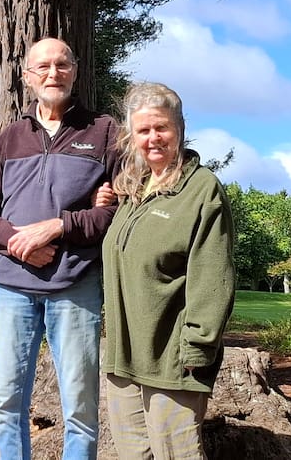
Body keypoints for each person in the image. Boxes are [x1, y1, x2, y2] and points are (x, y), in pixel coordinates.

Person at [0, 37, 120, 460]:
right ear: (28, 77)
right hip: (13, 289)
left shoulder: (104, 132)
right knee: (8, 405)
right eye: (43, 66)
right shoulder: (9, 139)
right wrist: (19, 244)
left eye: (62, 64)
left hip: (75, 287)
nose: (53, 73)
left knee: (81, 408)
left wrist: (58, 226)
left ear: (75, 71)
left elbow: (117, 213)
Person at [101, 82, 236, 460]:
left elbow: (213, 274)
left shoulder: (202, 190)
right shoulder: (134, 190)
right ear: (132, 136)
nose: (153, 138)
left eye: (162, 127)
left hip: (173, 360)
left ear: (180, 128)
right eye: (143, 130)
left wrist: (198, 347)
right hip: (124, 359)